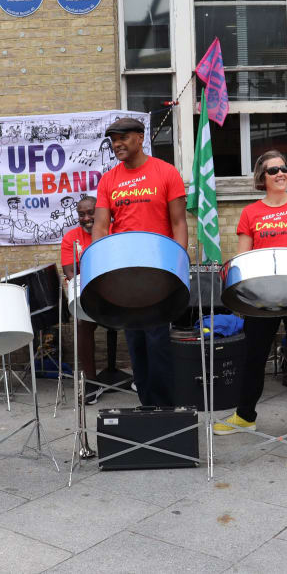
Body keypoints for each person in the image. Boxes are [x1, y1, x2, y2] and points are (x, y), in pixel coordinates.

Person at [213, 150, 287, 446]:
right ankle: (245, 416)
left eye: (284, 168)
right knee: (253, 357)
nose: (280, 174)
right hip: (262, 296)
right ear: (262, 178)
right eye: (273, 170)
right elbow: (243, 256)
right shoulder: (251, 212)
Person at [92, 117, 188, 407]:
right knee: (135, 345)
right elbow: (100, 224)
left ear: (140, 137)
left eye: (123, 138)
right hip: (123, 274)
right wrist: (98, 261)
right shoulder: (109, 179)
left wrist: (178, 266)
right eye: (113, 140)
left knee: (157, 341)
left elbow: (179, 222)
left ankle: (164, 408)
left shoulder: (166, 172)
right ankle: (148, 405)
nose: (117, 145)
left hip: (158, 271)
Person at [61, 194, 117, 403]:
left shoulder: (114, 231)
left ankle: (141, 377)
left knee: (138, 314)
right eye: (81, 214)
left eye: (90, 213)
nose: (85, 218)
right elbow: (70, 272)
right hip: (90, 293)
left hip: (117, 291)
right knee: (83, 323)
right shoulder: (71, 238)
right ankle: (91, 382)